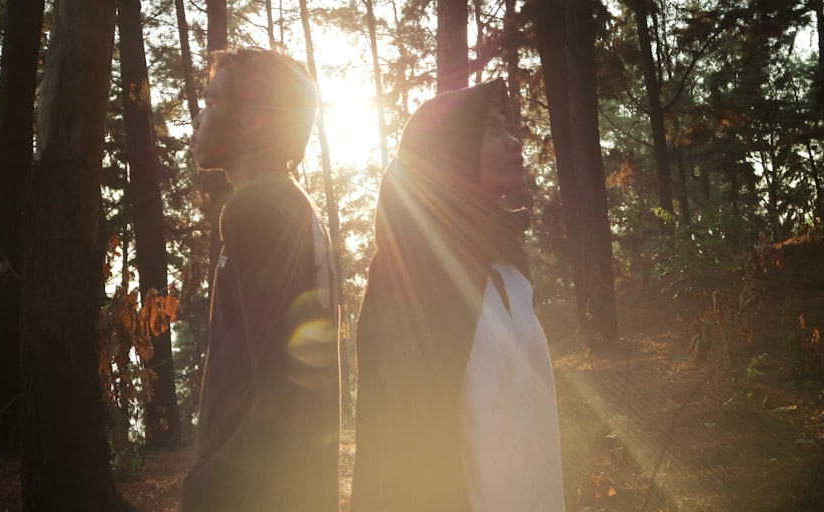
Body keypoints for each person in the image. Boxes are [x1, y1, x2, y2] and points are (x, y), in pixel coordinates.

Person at [351, 79, 565, 512]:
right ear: (447, 151)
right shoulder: (410, 268)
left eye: (510, 128)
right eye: (491, 128)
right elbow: (394, 437)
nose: (514, 142)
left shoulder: (507, 261)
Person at [180, 47, 341, 512]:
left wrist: (205, 490)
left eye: (210, 102)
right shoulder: (291, 206)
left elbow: (281, 396)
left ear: (251, 120)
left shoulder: (257, 212)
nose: (199, 116)